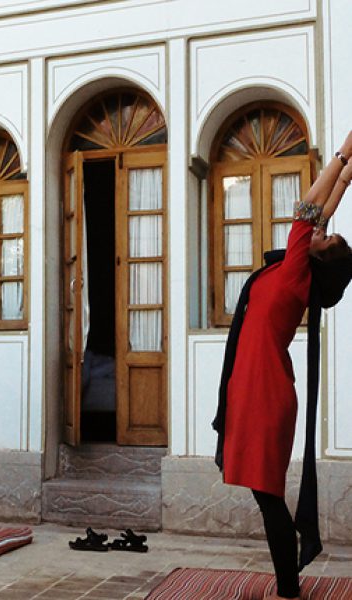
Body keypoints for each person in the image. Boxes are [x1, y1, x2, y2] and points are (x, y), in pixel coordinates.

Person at [215, 130, 352, 600]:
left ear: (317, 255)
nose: (318, 228)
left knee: (266, 492)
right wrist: (348, 175)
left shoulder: (296, 270)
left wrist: (342, 151)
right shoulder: (294, 270)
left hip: (264, 391)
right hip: (256, 385)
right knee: (264, 492)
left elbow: (308, 209)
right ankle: (291, 572)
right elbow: (324, 208)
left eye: (322, 236)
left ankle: (290, 581)